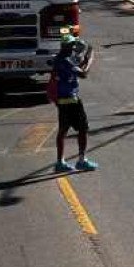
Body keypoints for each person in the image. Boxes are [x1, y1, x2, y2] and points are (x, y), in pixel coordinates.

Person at [50, 36, 98, 172]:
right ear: (66, 46)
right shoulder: (65, 60)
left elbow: (75, 68)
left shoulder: (60, 59)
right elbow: (83, 74)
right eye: (71, 45)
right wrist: (89, 61)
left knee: (63, 131)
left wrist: (82, 61)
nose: (73, 48)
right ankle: (82, 160)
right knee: (83, 129)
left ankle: (60, 162)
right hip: (72, 101)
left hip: (62, 100)